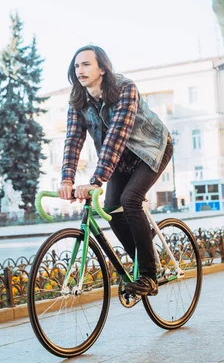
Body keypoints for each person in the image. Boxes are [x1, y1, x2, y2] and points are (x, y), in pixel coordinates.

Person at [58, 45, 173, 296]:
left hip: (151, 150)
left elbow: (116, 137)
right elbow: (73, 140)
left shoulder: (125, 88)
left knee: (130, 199)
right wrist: (67, 178)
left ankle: (148, 277)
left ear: (102, 68)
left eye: (86, 64)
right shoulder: (78, 100)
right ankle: (145, 262)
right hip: (120, 160)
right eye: (76, 65)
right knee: (111, 208)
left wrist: (96, 180)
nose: (80, 70)